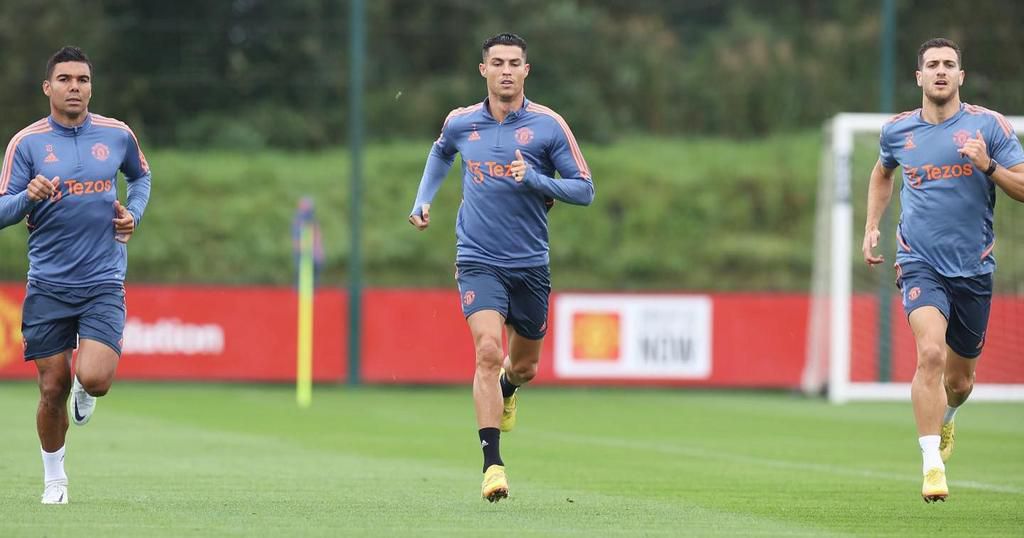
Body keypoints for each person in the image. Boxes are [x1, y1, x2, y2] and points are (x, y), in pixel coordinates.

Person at [408, 33, 594, 502]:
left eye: (515, 62)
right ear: (483, 70)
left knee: (524, 366)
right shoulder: (461, 122)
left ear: (526, 71)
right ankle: (493, 465)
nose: (506, 70)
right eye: (498, 62)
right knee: (488, 351)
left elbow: (585, 189)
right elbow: (440, 151)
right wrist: (423, 199)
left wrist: (532, 177)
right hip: (477, 258)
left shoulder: (549, 127)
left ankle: (511, 388)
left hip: (529, 263)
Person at [862, 38, 1024, 503]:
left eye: (948, 65)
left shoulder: (987, 127)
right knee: (929, 354)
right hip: (919, 262)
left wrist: (987, 165)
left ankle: (948, 419)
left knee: (959, 381)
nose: (939, 71)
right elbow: (881, 172)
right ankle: (932, 464)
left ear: (960, 76)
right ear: (918, 77)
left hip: (973, 269)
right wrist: (873, 225)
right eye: (931, 64)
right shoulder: (897, 132)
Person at [0, 46, 152, 505]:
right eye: (64, 79)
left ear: (91, 87)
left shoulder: (117, 134)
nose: (74, 87)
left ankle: (86, 389)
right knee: (51, 388)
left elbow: (141, 178)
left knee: (96, 379)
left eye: (82, 80)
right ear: (47, 87)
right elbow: (2, 209)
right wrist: (28, 196)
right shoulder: (26, 144)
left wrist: (134, 216)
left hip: (103, 279)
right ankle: (54, 479)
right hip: (48, 283)